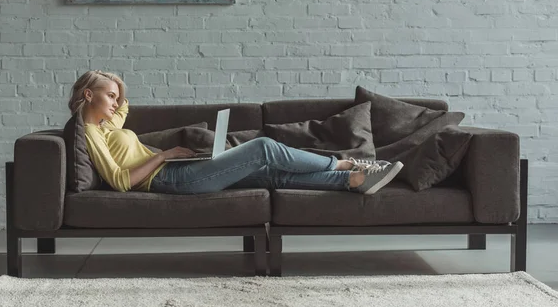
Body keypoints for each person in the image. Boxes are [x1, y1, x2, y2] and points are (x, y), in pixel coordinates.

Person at [68, 70, 404, 196]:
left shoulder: (108, 124)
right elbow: (120, 182)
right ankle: (342, 165)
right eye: (109, 95)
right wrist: (164, 155)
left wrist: (112, 85)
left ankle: (353, 182)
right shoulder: (89, 133)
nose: (117, 101)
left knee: (269, 173)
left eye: (116, 96)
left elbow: (124, 105)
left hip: (176, 171)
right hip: (169, 178)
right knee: (263, 149)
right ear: (87, 95)